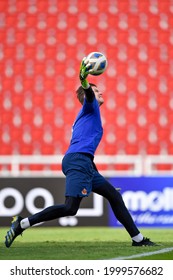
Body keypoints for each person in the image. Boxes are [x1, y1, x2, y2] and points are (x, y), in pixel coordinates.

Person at [5, 57, 156, 248]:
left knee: (114, 196)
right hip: (78, 161)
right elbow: (88, 94)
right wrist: (84, 80)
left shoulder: (88, 114)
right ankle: (22, 224)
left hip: (84, 163)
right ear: (86, 96)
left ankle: (138, 239)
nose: (100, 93)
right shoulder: (90, 106)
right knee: (70, 208)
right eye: (96, 90)